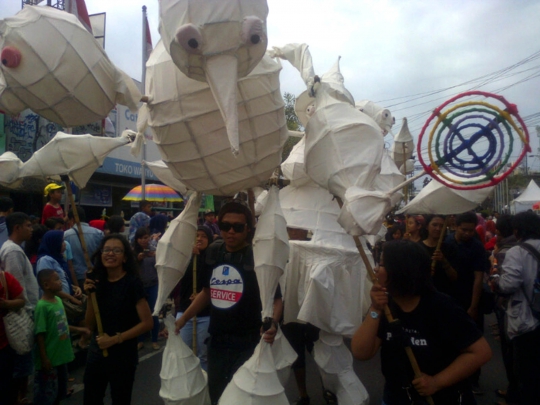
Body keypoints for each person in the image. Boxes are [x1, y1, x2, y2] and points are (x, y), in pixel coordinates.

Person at [351, 240, 492, 405]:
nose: (376, 269)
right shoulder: (386, 306)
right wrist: (375, 309)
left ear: (399, 271)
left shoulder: (442, 307)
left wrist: (436, 382)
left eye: (381, 265)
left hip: (444, 399)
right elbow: (361, 352)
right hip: (396, 397)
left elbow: (481, 352)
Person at [175, 201, 281, 404]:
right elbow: (206, 292)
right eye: (225, 226)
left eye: (238, 227)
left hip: (249, 342)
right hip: (217, 342)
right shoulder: (213, 254)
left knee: (241, 398)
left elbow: (276, 299)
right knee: (217, 395)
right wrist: (182, 319)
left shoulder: (259, 257)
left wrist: (273, 323)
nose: (230, 231)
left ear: (248, 229)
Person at [83, 234, 153, 405]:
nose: (110, 254)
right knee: (91, 399)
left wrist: (115, 339)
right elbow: (89, 325)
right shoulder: (97, 281)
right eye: (106, 250)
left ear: (124, 257)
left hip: (123, 355)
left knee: (120, 399)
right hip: (97, 352)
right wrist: (91, 295)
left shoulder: (132, 283)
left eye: (116, 250)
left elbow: (147, 323)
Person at [492, 211, 540, 405]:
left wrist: (496, 280)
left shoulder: (517, 251)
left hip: (527, 320)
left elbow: (508, 285)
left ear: (517, 230)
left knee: (526, 372)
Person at [33, 269, 89, 405]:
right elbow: (40, 334)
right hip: (50, 360)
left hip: (61, 357)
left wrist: (80, 330)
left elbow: (62, 325)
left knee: (59, 392)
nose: (60, 282)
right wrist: (44, 358)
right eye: (57, 279)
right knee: (47, 395)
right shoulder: (42, 307)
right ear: (46, 285)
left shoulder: (58, 300)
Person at [0, 212, 39, 405]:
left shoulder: (15, 249)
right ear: (17, 228)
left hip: (24, 310)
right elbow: (17, 289)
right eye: (28, 225)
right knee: (21, 364)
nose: (31, 229)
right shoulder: (13, 251)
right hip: (21, 313)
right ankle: (18, 398)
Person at [171, 225, 213, 370]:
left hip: (205, 314)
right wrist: (189, 256)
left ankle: (203, 386)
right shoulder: (185, 258)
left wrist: (201, 295)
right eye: (196, 236)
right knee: (183, 353)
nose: (199, 239)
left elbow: (211, 285)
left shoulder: (212, 259)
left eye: (203, 236)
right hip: (185, 310)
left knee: (203, 355)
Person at [491, 214, 518, 405]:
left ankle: (514, 393)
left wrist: (493, 278)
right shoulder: (525, 247)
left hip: (510, 309)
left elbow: (504, 285)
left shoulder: (506, 252)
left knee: (512, 354)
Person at [132, 227, 160, 350]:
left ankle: (154, 340)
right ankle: (140, 340)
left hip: (153, 284)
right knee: (140, 314)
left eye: (146, 237)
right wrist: (137, 260)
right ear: (137, 239)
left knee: (154, 313)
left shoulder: (154, 250)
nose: (144, 240)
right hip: (140, 286)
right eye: (141, 238)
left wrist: (157, 256)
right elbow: (129, 268)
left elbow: (161, 265)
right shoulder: (133, 252)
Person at [0, 269, 25, 405]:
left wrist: (5, 304)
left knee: (6, 388)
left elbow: (22, 301)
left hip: (4, 344)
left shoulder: (4, 278)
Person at [64, 207, 104, 289]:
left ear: (72, 219)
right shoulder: (98, 233)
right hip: (95, 276)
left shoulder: (65, 235)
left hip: (76, 277)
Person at [420, 215, 458, 296]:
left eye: (441, 226)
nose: (438, 229)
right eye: (434, 225)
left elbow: (454, 277)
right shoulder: (417, 248)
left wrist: (444, 261)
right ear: (427, 226)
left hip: (444, 293)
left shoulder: (449, 248)